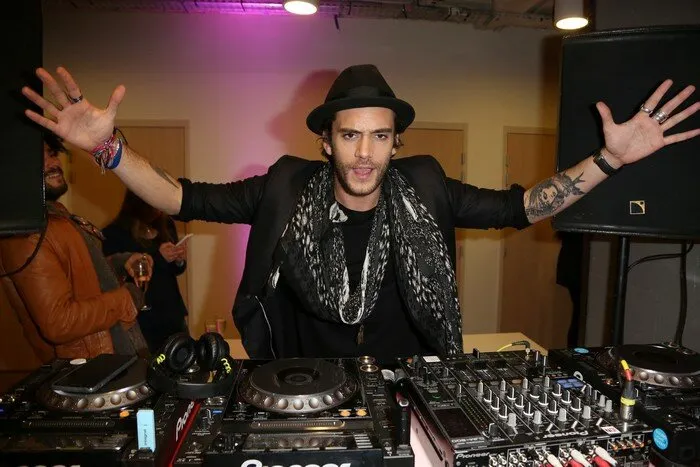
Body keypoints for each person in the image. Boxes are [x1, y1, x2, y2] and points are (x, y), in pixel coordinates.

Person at [22, 65, 700, 362]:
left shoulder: (426, 187)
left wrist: (610, 160)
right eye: (351, 135)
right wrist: (108, 147)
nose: (366, 153)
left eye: (380, 136)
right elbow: (181, 197)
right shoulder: (284, 187)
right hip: (306, 385)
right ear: (327, 140)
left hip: (411, 384)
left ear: (397, 141)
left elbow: (521, 206)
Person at [0, 134, 151, 362]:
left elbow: (81, 279)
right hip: (91, 370)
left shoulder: (57, 218)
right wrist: (125, 299)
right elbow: (59, 323)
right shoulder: (27, 234)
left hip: (114, 357)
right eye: (37, 158)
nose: (53, 163)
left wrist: (121, 263)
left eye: (52, 153)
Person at [102, 190, 190, 353]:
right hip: (142, 321)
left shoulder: (167, 225)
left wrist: (178, 260)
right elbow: (115, 277)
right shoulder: (113, 234)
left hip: (172, 314)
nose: (160, 209)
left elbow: (175, 271)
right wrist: (158, 257)